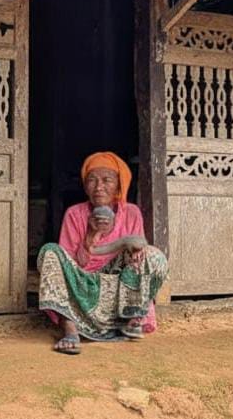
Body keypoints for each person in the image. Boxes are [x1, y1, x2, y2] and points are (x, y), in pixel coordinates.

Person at [37, 151, 169, 354]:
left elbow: (139, 253)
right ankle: (70, 330)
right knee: (50, 252)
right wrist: (90, 236)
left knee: (152, 255)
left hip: (115, 293)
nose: (99, 187)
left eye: (107, 180)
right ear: (85, 185)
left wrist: (135, 252)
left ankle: (130, 319)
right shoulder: (74, 214)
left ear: (119, 184)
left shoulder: (131, 212)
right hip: (81, 289)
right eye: (92, 180)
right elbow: (71, 269)